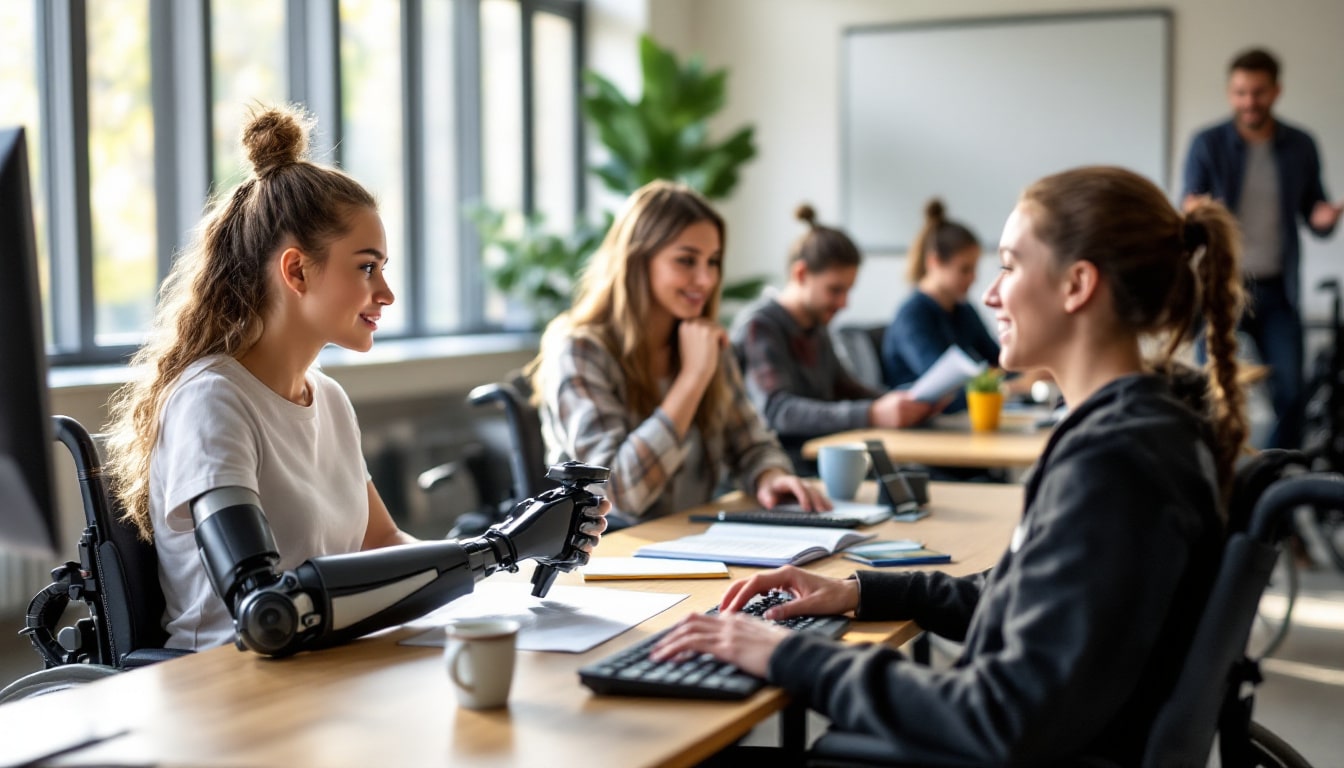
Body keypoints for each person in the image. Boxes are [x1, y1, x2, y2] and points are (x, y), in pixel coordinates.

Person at [652, 166, 1248, 765]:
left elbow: (997, 715)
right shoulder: (1135, 431)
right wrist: (856, 591)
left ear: (1077, 285)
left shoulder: (1115, 464)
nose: (990, 294)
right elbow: (1017, 599)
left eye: (1010, 265)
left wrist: (786, 656)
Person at [103, 105, 606, 653]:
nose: (386, 292)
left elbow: (383, 544)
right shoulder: (212, 400)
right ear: (296, 270)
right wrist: (500, 546)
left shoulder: (331, 400)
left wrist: (513, 557)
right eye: (367, 267)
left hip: (327, 670)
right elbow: (264, 607)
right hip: (232, 690)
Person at [531, 180, 827, 527]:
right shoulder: (579, 351)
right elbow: (617, 494)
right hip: (613, 555)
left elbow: (751, 445)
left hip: (691, 543)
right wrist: (691, 379)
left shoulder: (702, 341)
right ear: (637, 261)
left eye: (713, 261)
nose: (705, 279)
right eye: (686, 260)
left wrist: (770, 476)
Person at [1183, 47, 1341, 449]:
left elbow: (1313, 213)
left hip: (1277, 290)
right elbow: (1189, 205)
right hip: (1223, 288)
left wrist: (1325, 218)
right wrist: (1197, 211)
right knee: (1214, 393)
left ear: (1275, 91)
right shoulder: (1208, 143)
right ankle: (1218, 480)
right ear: (1229, 93)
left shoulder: (1300, 145)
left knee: (1291, 395)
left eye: (1258, 91)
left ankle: (1273, 481)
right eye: (1240, 92)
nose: (1249, 101)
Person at [730, 204, 938, 469]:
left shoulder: (816, 327)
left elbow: (846, 389)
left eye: (847, 291)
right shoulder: (759, 327)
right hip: (783, 472)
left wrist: (906, 403)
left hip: (823, 465)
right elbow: (777, 412)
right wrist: (872, 414)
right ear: (801, 274)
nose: (843, 303)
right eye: (835, 290)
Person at [880, 199, 1001, 413]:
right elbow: (945, 388)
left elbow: (997, 361)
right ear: (934, 262)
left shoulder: (963, 309)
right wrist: (1012, 385)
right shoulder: (912, 316)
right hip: (925, 426)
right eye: (964, 270)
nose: (973, 278)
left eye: (974, 269)